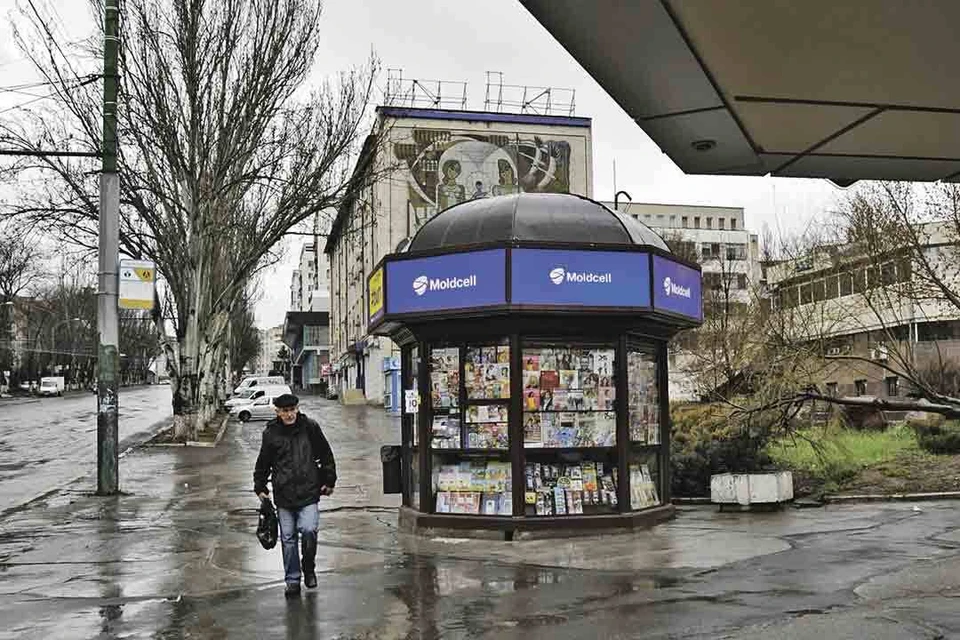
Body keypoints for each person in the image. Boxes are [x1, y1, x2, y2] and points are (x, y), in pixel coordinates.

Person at [253, 393, 337, 598]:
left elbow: (326, 455)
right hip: (284, 495)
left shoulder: (310, 427)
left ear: (297, 409)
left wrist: (329, 480)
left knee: (309, 530)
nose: (290, 414)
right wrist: (260, 486)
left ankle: (308, 568)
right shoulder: (271, 433)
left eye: (292, 410)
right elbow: (263, 462)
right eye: (285, 411)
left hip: (309, 491)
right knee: (288, 538)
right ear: (278, 412)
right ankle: (292, 580)